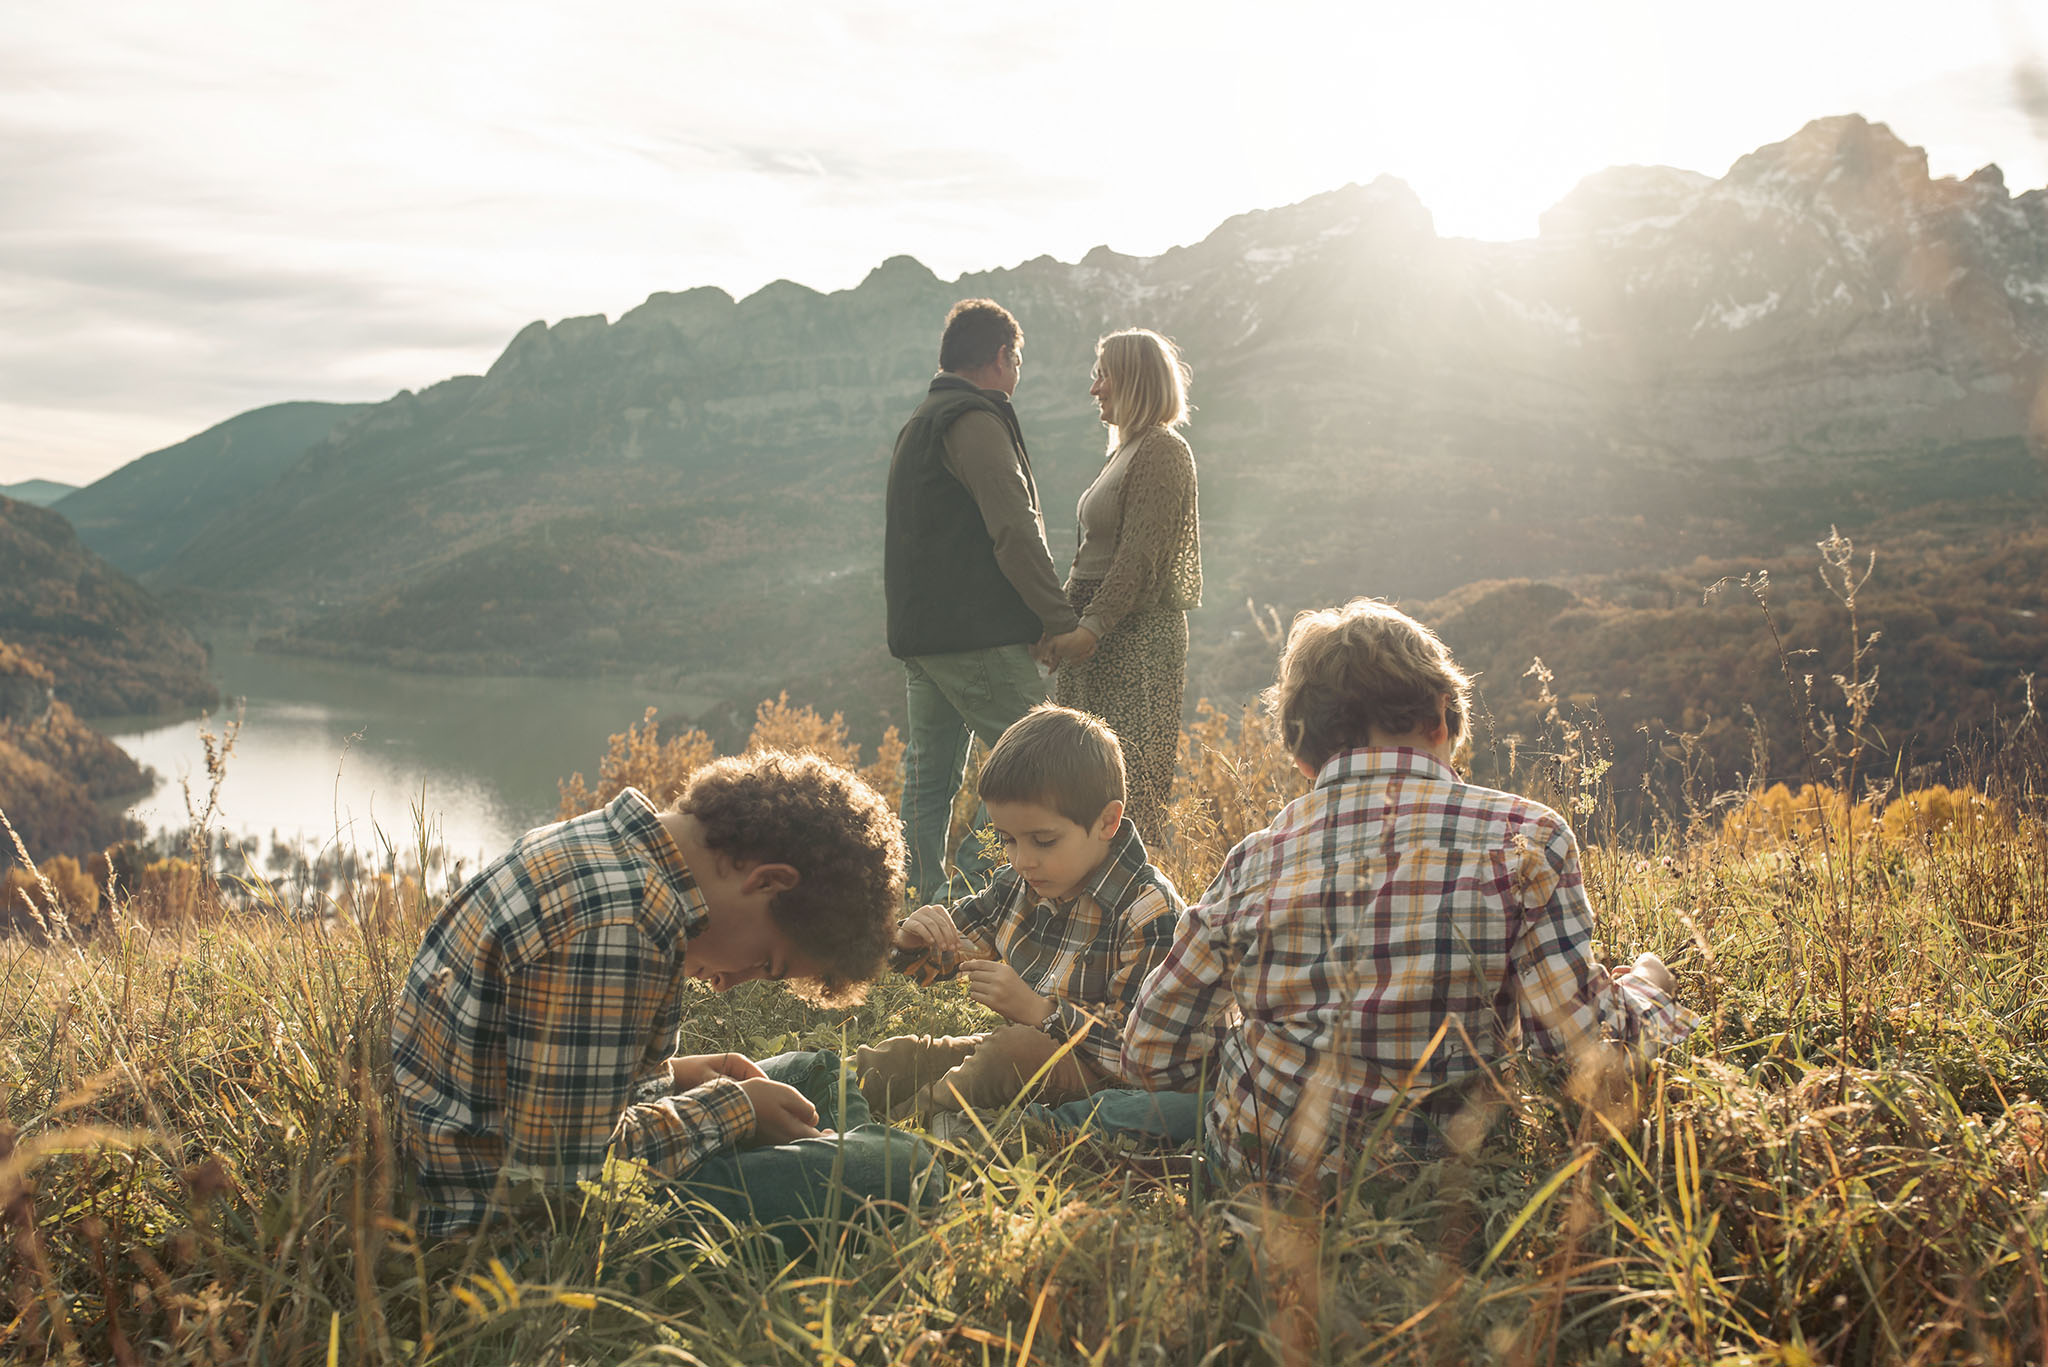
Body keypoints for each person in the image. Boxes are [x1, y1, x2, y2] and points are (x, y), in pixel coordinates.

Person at [1120, 599, 1695, 1199]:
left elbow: (1149, 1051)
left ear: (1300, 755)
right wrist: (1650, 987)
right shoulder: (1525, 838)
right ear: (1441, 721)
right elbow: (1580, 1054)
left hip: (1257, 1186)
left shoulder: (1254, 861)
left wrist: (1260, 1051)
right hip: (1445, 1198)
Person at [390, 751, 946, 1245]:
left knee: (814, 1070)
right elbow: (564, 1179)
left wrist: (677, 1076)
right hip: (516, 1226)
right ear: (768, 881)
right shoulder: (621, 923)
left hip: (524, 1143)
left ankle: (830, 1156)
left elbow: (544, 1070)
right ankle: (847, 1171)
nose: (731, 982)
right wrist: (735, 1110)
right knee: (909, 1168)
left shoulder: (613, 854)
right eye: (766, 963)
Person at [854, 705, 1185, 1126]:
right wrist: (911, 940)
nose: (1022, 860)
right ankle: (822, 1089)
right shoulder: (1020, 883)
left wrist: (1040, 1011)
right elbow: (950, 953)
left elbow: (1141, 1054)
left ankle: (888, 1136)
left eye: (1043, 840)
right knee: (908, 1055)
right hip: (1028, 1049)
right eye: (1008, 839)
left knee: (1009, 1054)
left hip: (1111, 1085)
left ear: (1107, 822)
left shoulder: (1149, 911)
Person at [885, 299, 1080, 903]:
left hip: (925, 637)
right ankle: (990, 895)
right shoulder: (972, 421)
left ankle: (920, 912)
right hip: (974, 637)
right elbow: (1014, 529)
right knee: (1043, 767)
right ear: (1000, 357)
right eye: (1017, 360)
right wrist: (1058, 618)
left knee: (929, 779)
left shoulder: (924, 421)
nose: (1016, 373)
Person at [1047, 328, 1203, 845]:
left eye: (1103, 375)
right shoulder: (1126, 452)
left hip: (1135, 641)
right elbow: (1090, 559)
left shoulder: (1162, 451)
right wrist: (1059, 625)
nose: (1095, 388)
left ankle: (1133, 907)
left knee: (1124, 784)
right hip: (1098, 636)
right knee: (1076, 781)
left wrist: (1089, 629)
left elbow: (1139, 557)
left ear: (1133, 381)